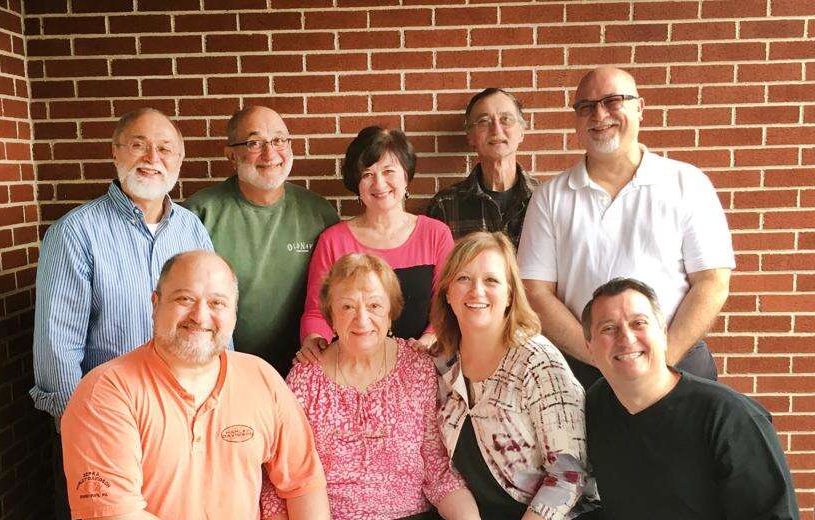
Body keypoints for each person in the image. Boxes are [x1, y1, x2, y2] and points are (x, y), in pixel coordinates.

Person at [60, 250, 336, 520]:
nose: (201, 316)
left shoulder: (260, 378)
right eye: (184, 298)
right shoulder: (107, 391)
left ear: (234, 314)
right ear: (155, 304)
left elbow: (302, 478)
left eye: (217, 303)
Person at [30, 107, 214, 520]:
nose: (153, 157)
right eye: (138, 144)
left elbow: (214, 326)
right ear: (115, 153)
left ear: (180, 160)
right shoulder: (76, 233)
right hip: (102, 432)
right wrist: (87, 437)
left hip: (179, 429)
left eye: (166, 148)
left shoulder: (193, 231)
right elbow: (57, 353)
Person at [263, 253, 488, 520]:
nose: (362, 319)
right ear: (331, 315)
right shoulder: (305, 377)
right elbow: (277, 472)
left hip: (400, 509)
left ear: (392, 311)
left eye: (374, 305)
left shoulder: (416, 367)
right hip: (323, 515)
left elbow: (435, 463)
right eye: (347, 307)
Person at [582, 278, 803, 520]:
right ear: (590, 347)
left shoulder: (728, 416)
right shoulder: (597, 407)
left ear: (663, 333)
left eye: (639, 323)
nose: (626, 338)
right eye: (608, 328)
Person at [429, 232, 612, 520]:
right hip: (483, 514)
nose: (477, 291)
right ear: (447, 293)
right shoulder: (439, 363)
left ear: (511, 294)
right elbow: (436, 461)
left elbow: (571, 473)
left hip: (563, 519)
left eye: (491, 280)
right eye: (463, 279)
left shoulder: (537, 361)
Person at [517, 66, 735, 390]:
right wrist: (603, 359)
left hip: (677, 363)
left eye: (613, 100)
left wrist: (660, 362)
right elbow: (536, 292)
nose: (599, 114)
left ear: (640, 108)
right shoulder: (549, 198)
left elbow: (712, 283)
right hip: (584, 373)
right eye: (586, 106)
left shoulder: (687, 184)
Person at [184, 105, 339, 376]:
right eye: (255, 143)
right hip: (219, 370)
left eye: (279, 140)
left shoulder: (318, 212)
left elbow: (337, 294)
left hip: (302, 370)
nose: (270, 153)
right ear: (231, 155)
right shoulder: (199, 214)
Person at [298, 126, 454, 363]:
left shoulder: (436, 234)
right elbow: (317, 311)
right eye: (367, 174)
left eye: (389, 171)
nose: (379, 184)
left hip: (424, 361)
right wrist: (315, 340)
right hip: (351, 365)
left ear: (406, 176)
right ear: (357, 184)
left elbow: (447, 305)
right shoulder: (333, 240)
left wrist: (426, 343)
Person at [427, 88, 537, 247]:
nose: (496, 130)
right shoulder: (445, 205)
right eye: (484, 121)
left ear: (521, 132)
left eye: (506, 119)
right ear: (470, 136)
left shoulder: (545, 199)